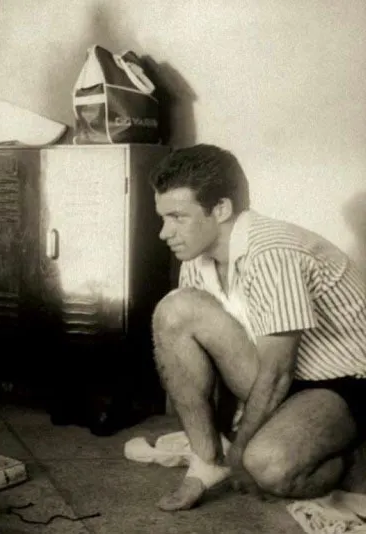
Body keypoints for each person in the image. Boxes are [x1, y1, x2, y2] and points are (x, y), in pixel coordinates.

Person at [149, 144, 366, 511]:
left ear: (221, 209)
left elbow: (278, 371)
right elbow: (213, 362)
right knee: (175, 309)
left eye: (177, 217)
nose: (163, 233)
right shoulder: (198, 257)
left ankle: (352, 458)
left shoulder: (272, 251)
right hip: (287, 376)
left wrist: (243, 451)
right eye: (163, 218)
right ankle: (206, 464)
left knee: (267, 467)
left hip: (347, 381)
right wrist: (221, 449)